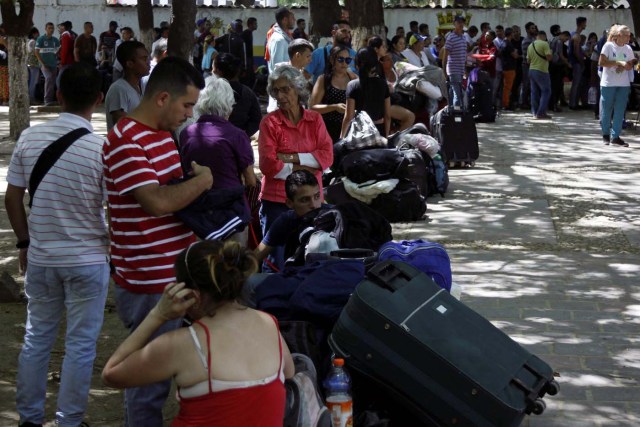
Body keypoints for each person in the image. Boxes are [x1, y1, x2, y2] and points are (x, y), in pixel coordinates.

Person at [102, 56, 211, 427]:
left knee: (172, 374)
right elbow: (158, 202)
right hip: (149, 283)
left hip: (173, 273)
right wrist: (203, 181)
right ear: (163, 98)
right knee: (148, 384)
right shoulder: (125, 139)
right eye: (187, 105)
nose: (189, 114)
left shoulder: (163, 134)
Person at [6, 62, 110, 427]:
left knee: (37, 339)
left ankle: (30, 419)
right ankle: (69, 421)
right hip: (88, 260)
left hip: (42, 258)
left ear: (59, 94)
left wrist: (24, 242)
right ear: (98, 99)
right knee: (81, 346)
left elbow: (12, 198)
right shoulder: (102, 148)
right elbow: (112, 207)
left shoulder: (29, 138)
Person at [102, 240, 295, 426]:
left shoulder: (183, 344)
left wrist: (157, 315)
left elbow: (111, 374)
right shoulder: (268, 322)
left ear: (191, 295)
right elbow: (289, 371)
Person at [258, 64, 333, 271]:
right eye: (276, 91)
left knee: (309, 255)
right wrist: (307, 167)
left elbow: (327, 157)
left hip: (311, 200)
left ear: (298, 89)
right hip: (276, 201)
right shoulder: (269, 123)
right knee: (275, 262)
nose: (280, 96)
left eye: (285, 89)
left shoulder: (314, 119)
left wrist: (290, 158)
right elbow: (268, 164)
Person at [179, 76, 258, 244]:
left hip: (198, 213)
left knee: (202, 265)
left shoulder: (186, 133)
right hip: (232, 215)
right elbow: (251, 180)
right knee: (233, 265)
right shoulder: (237, 135)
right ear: (229, 105)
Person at [309, 45, 357, 142]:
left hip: (349, 130)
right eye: (340, 59)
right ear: (332, 60)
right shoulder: (324, 79)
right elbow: (312, 108)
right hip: (327, 129)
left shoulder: (353, 79)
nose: (344, 63)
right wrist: (334, 107)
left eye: (347, 60)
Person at [341, 47, 391, 138]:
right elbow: (387, 115)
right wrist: (386, 136)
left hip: (359, 133)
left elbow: (349, 117)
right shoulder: (383, 84)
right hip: (379, 131)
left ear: (357, 65)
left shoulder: (352, 85)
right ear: (374, 65)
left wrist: (341, 138)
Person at [599, 24, 635, 147]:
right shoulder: (608, 46)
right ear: (619, 35)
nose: (629, 38)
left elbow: (630, 64)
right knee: (607, 109)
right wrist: (618, 62)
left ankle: (616, 136)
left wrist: (627, 66)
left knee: (620, 110)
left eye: (629, 36)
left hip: (623, 84)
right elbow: (602, 62)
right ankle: (605, 135)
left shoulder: (628, 49)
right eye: (627, 36)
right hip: (608, 83)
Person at [214, 53, 262, 137]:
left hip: (215, 137)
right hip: (240, 138)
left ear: (217, 71)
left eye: (213, 68)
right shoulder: (248, 92)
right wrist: (243, 134)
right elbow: (256, 119)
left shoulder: (210, 92)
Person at [104, 40, 149, 131]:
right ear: (130, 64)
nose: (148, 62)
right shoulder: (119, 89)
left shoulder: (142, 86)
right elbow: (122, 128)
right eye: (144, 59)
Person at [442, 15, 467, 108]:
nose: (461, 24)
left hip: (460, 70)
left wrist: (465, 70)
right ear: (454, 24)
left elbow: (464, 55)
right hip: (453, 69)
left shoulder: (464, 37)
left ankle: (451, 112)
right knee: (458, 94)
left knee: (453, 92)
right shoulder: (450, 38)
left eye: (462, 22)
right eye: (459, 22)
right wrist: (444, 72)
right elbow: (445, 57)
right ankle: (457, 114)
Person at [527, 30, 553, 120]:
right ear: (543, 36)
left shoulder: (530, 45)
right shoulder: (544, 44)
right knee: (546, 91)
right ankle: (541, 113)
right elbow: (549, 57)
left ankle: (534, 112)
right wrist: (551, 53)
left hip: (531, 70)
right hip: (541, 70)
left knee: (534, 92)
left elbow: (528, 60)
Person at [34, 22, 60, 106]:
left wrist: (56, 61)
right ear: (45, 29)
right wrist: (42, 63)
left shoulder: (55, 40)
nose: (51, 30)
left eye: (52, 28)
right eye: (49, 28)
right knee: (48, 78)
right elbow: (36, 52)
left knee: (52, 81)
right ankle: (46, 100)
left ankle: (50, 100)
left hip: (53, 64)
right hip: (44, 65)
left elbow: (57, 51)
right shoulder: (41, 39)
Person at [267, 7, 294, 75]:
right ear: (285, 20)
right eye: (292, 18)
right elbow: (277, 68)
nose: (295, 20)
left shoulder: (286, 37)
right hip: (281, 83)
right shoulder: (279, 40)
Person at [549, 30, 570, 113]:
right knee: (557, 86)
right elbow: (560, 55)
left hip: (551, 65)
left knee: (552, 86)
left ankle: (551, 104)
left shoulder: (552, 39)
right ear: (564, 35)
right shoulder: (559, 42)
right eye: (566, 39)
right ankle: (554, 104)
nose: (566, 41)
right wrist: (567, 63)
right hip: (557, 66)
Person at [569, 17, 587, 110]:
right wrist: (581, 62)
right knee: (576, 83)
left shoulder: (573, 34)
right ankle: (572, 104)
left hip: (575, 62)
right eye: (585, 23)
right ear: (581, 24)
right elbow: (576, 52)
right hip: (576, 63)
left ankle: (574, 102)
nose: (586, 25)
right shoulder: (576, 36)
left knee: (577, 83)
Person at [501, 27, 519, 110]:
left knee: (505, 87)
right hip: (510, 68)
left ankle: (505, 102)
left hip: (505, 67)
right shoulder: (508, 43)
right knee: (508, 87)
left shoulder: (503, 43)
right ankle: (506, 104)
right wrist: (516, 53)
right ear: (511, 34)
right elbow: (514, 55)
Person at [56, 21, 76, 88]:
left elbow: (65, 50)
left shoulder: (65, 36)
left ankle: (61, 95)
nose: (59, 28)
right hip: (70, 61)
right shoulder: (71, 35)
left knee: (59, 81)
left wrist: (62, 62)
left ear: (64, 27)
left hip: (66, 61)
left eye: (61, 26)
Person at [241, 17, 258, 87]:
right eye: (255, 24)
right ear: (250, 25)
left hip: (249, 59)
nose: (256, 25)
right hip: (247, 59)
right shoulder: (246, 33)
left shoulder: (249, 33)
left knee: (251, 76)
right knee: (249, 77)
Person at [27, 27, 41, 105]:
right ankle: (31, 98)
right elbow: (36, 52)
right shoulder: (33, 42)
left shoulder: (28, 41)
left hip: (29, 63)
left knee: (30, 81)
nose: (38, 34)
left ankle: (30, 97)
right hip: (34, 64)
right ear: (34, 34)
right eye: (37, 33)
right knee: (33, 82)